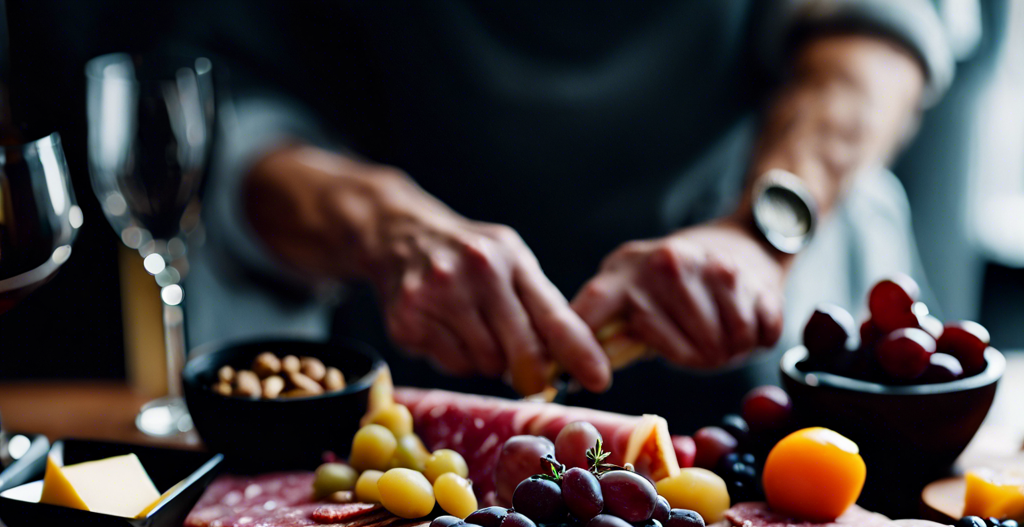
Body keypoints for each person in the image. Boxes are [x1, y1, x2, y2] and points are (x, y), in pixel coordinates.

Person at [192, 1, 957, 429]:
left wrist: (758, 233)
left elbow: (873, 45)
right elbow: (238, 120)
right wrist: (383, 227)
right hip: (421, 399)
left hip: (771, 373)